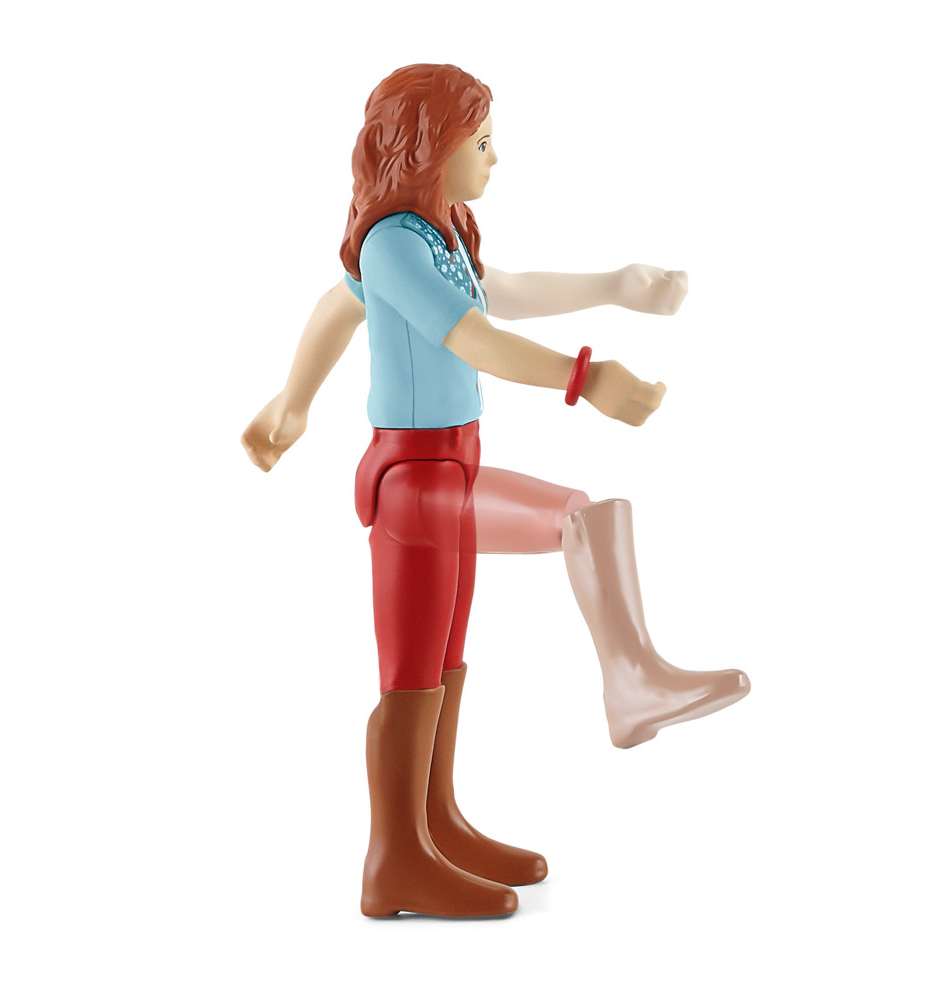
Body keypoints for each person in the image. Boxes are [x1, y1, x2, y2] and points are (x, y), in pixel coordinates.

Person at [242, 64, 749, 918]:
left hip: (457, 465)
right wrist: (585, 378)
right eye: (481, 142)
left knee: (441, 661)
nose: (495, 157)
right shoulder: (392, 241)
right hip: (413, 483)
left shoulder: (440, 232)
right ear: (430, 148)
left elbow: (480, 294)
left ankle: (434, 826)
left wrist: (614, 285)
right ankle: (397, 858)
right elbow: (471, 336)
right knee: (549, 542)